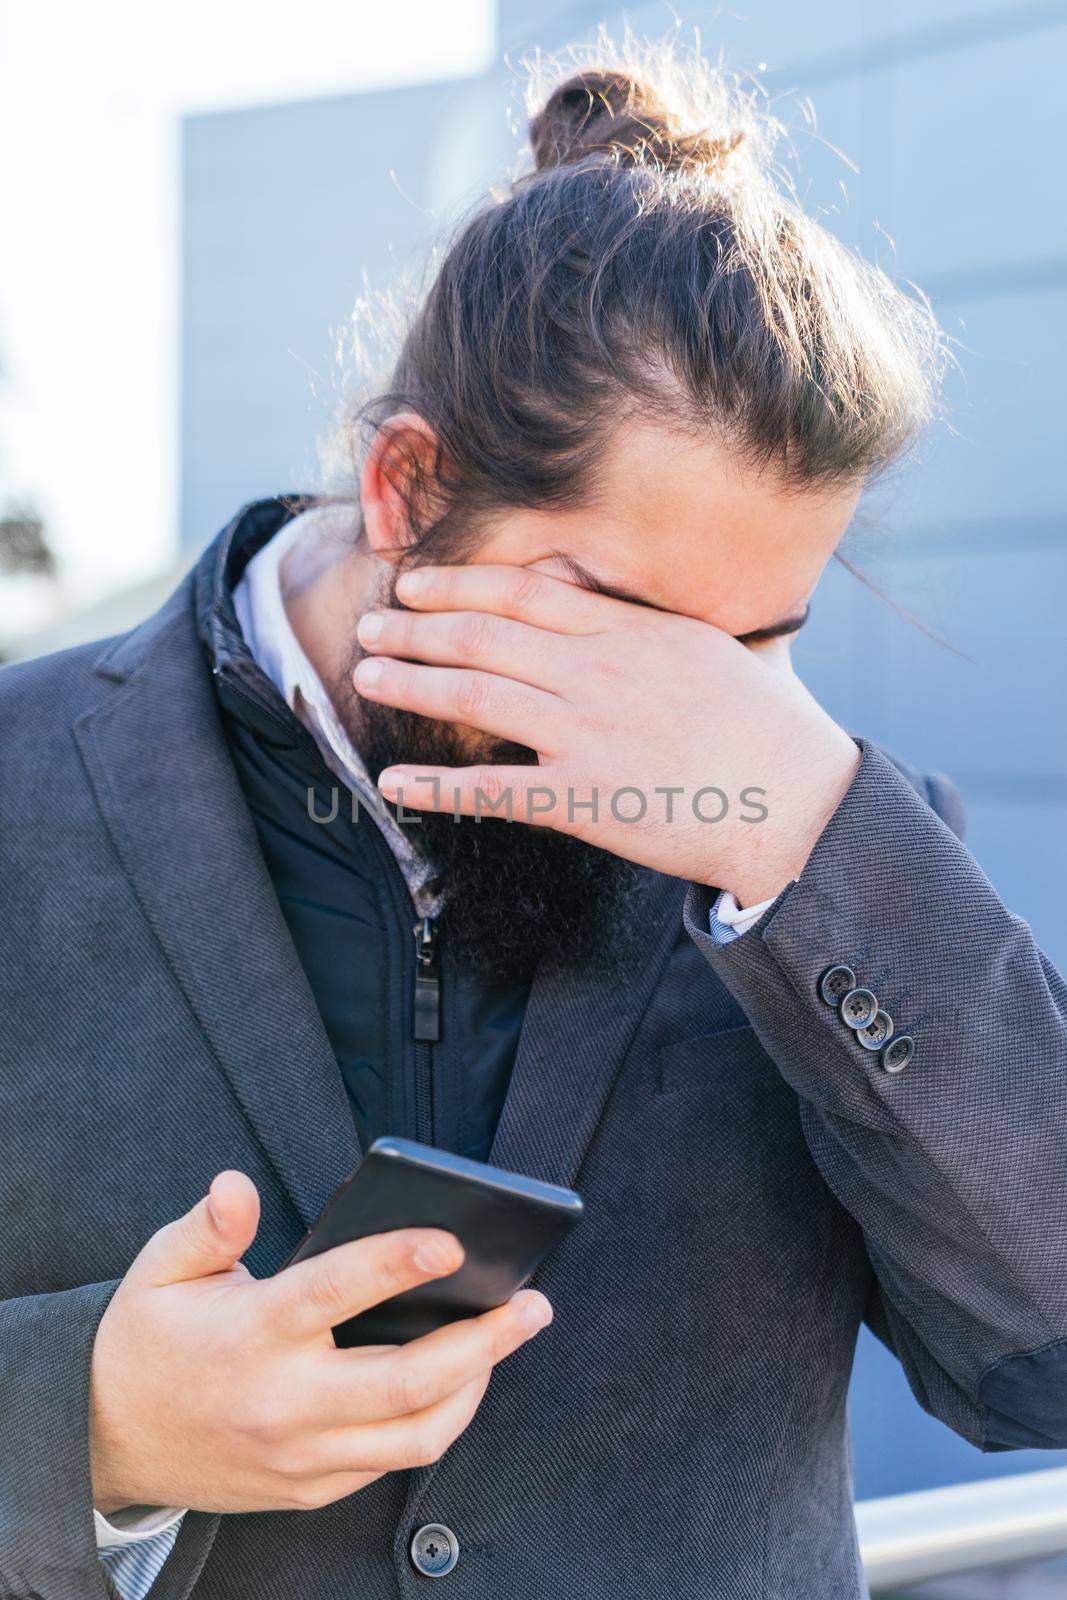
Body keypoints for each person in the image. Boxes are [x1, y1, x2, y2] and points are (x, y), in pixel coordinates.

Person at [2, 44, 1066, 1600]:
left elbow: (1044, 1360)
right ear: (410, 487)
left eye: (759, 643)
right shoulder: (21, 787)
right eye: (622, 624)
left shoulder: (821, 824)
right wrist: (85, 1430)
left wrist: (812, 846)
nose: (683, 711)